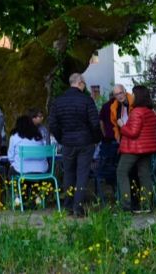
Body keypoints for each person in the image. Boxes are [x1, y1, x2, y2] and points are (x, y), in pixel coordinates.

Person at [48, 73, 100, 217]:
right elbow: (95, 123)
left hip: (67, 142)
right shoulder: (86, 100)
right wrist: (96, 139)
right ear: (80, 83)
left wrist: (61, 138)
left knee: (69, 174)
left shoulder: (58, 101)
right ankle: (78, 207)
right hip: (85, 141)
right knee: (82, 174)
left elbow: (52, 124)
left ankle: (68, 205)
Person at [117, 86, 156, 213]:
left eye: (134, 94)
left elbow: (133, 132)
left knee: (121, 172)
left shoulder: (137, 112)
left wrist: (122, 126)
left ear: (139, 96)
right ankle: (146, 205)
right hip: (147, 149)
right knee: (144, 175)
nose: (132, 96)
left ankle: (126, 206)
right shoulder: (151, 112)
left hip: (134, 148)